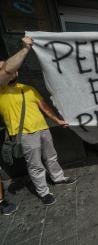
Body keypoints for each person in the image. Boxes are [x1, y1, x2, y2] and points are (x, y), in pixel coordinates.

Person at [0, 69, 76, 205]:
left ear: (17, 72)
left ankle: (58, 177)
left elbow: (44, 107)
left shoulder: (29, 89)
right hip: (24, 134)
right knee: (35, 165)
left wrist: (57, 120)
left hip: (43, 128)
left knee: (51, 156)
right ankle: (44, 193)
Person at [0, 37, 33, 215]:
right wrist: (25, 49)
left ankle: (0, 202)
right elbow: (7, 70)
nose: (8, 71)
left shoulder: (24, 88)